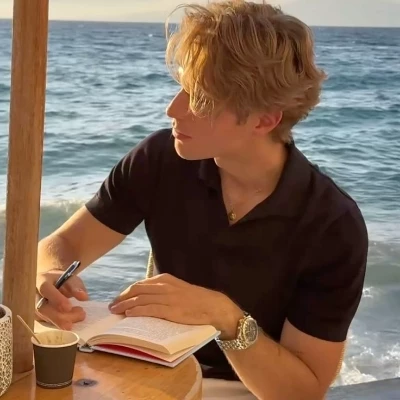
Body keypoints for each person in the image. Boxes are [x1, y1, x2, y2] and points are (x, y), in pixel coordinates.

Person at [35, 1, 369, 399]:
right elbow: (63, 245)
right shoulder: (160, 159)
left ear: (264, 119)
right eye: (183, 86)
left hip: (245, 390)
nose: (173, 109)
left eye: (201, 99)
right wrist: (49, 277)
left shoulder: (332, 224)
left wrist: (225, 318)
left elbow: (301, 392)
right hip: (143, 369)